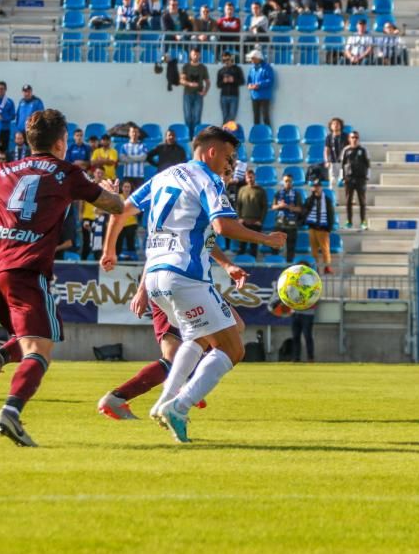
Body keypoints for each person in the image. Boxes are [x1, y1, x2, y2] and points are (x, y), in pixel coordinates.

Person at [0, 108, 123, 447]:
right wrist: (109, 188)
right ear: (60, 143)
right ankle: (11, 412)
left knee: (38, 333)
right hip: (24, 272)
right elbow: (114, 206)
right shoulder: (66, 173)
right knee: (40, 350)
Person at [99, 126, 285, 442]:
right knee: (233, 348)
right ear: (211, 151)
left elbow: (120, 209)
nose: (229, 165)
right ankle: (179, 406)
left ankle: (163, 403)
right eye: (228, 157)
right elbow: (223, 226)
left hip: (157, 276)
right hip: (184, 274)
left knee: (199, 339)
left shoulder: (164, 176)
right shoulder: (206, 179)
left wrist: (109, 249)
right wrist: (265, 239)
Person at [302, 179, 335, 274]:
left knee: (325, 249)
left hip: (323, 229)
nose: (316, 188)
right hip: (312, 228)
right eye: (314, 186)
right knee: (314, 251)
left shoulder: (327, 200)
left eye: (318, 186)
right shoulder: (309, 200)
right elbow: (305, 211)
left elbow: (330, 214)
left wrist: (329, 228)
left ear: (321, 188)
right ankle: (315, 267)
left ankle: (327, 267)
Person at [235, 168, 268, 257]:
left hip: (255, 222)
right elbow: (238, 205)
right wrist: (239, 218)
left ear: (254, 177)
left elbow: (264, 207)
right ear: (245, 178)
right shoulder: (242, 190)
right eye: (248, 177)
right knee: (242, 245)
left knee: (254, 246)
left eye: (251, 177)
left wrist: (260, 221)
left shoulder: (261, 190)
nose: (250, 179)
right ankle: (240, 266)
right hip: (243, 222)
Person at [340, 131, 370, 230]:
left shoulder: (363, 150)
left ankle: (363, 221)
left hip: (360, 179)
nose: (354, 139)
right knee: (348, 201)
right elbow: (342, 165)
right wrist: (342, 177)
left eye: (356, 137)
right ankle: (349, 221)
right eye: (352, 137)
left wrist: (367, 177)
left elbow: (368, 164)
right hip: (349, 179)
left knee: (362, 201)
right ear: (349, 139)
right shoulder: (346, 150)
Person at [272, 173, 303, 262]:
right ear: (283, 182)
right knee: (275, 246)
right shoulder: (278, 193)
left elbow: (300, 209)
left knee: (291, 248)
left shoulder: (297, 194)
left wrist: (288, 207)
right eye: (286, 181)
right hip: (279, 224)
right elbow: (273, 207)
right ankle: (275, 266)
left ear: (292, 182)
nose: (288, 183)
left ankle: (289, 267)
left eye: (289, 181)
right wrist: (280, 206)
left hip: (292, 225)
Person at [180, 48, 210, 138]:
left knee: (197, 117)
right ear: (190, 55)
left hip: (198, 95)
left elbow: (208, 82)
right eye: (194, 54)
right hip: (187, 94)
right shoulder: (186, 67)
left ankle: (196, 137)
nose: (195, 56)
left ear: (199, 55)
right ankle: (188, 137)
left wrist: (205, 91)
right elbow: (181, 80)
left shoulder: (203, 68)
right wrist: (189, 83)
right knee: (188, 117)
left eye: (197, 54)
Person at [246, 48, 275, 126]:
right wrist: (249, 85)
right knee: (256, 117)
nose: (251, 60)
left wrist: (258, 85)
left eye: (253, 58)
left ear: (258, 58)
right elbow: (249, 80)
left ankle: (268, 134)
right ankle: (256, 135)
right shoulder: (252, 68)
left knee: (265, 116)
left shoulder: (267, 67)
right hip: (254, 96)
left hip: (264, 96)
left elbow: (270, 80)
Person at [216, 52, 244, 124]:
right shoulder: (221, 71)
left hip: (234, 95)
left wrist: (233, 80)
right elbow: (218, 85)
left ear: (231, 59)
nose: (226, 62)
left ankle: (230, 133)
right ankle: (224, 133)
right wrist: (224, 81)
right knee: (225, 116)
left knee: (232, 117)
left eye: (227, 59)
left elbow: (242, 81)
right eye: (224, 60)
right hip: (224, 96)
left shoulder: (237, 69)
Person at [119, 125, 148, 190]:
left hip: (139, 176)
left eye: (136, 132)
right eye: (132, 132)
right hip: (127, 176)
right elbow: (122, 159)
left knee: (139, 197)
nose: (134, 134)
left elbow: (143, 158)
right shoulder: (124, 146)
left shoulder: (143, 146)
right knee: (127, 196)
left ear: (139, 134)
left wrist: (128, 156)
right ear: (129, 133)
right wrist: (137, 159)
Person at [324, 117, 349, 190]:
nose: (335, 125)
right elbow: (326, 150)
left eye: (337, 124)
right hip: (333, 162)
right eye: (333, 124)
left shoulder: (346, 136)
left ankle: (350, 200)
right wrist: (326, 161)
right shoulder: (329, 137)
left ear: (341, 125)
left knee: (346, 181)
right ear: (331, 126)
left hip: (344, 162)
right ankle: (334, 200)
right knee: (333, 182)